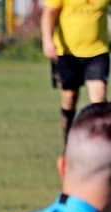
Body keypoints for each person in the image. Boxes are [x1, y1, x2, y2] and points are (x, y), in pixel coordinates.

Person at [41, 0, 110, 144]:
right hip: (67, 53)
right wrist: (47, 40)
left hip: (98, 51)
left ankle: (99, 145)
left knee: (99, 102)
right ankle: (68, 143)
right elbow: (49, 12)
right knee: (69, 98)